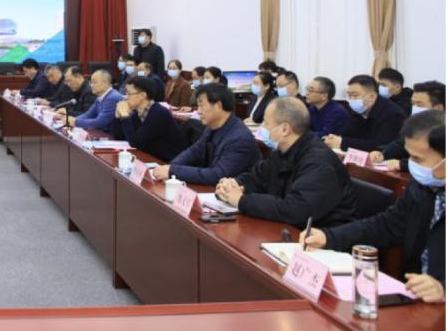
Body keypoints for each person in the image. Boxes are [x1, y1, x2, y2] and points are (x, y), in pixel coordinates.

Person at [303, 112, 445, 303]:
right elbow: (386, 225)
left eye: (417, 159)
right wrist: (329, 237)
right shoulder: (423, 187)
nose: (411, 165)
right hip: (417, 298)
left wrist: (443, 288)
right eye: (409, 156)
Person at [216, 98, 356, 228]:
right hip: (288, 228)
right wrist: (233, 185)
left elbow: (295, 210)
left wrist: (242, 201)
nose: (262, 127)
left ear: (284, 129)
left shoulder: (319, 162)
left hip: (321, 235)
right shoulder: (282, 152)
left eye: (265, 122)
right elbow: (256, 178)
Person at [152, 83, 259, 184]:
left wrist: (173, 171)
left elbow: (218, 174)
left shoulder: (240, 139)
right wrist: (170, 167)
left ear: (218, 106)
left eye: (202, 106)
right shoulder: (212, 127)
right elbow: (193, 152)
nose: (198, 111)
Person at [371, 82, 445, 171]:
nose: (414, 108)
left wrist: (402, 164)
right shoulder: (416, 125)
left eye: (419, 104)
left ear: (438, 108)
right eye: (413, 104)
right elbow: (399, 145)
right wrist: (381, 153)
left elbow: (437, 163)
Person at [109, 76, 185, 162]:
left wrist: (125, 117)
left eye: (129, 93)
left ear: (143, 95)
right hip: (149, 157)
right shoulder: (137, 113)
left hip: (167, 162)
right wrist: (118, 117)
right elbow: (118, 136)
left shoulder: (158, 113)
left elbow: (135, 143)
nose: (126, 97)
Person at [323, 74, 405, 152]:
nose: (351, 99)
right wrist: (334, 139)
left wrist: (343, 143)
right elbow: (347, 133)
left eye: (355, 95)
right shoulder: (358, 109)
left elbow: (380, 145)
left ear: (372, 96)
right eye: (349, 95)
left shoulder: (393, 115)